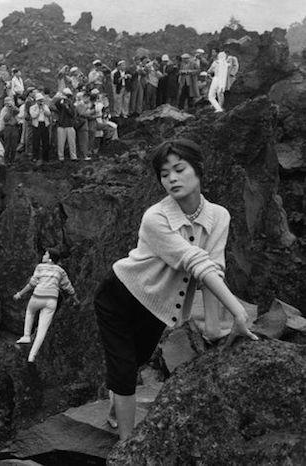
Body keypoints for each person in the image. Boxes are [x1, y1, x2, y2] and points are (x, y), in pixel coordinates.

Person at [94, 139, 259, 440]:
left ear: (199, 171)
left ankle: (116, 403)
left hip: (158, 307)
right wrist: (237, 311)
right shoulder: (155, 217)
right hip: (119, 296)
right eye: (164, 173)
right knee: (124, 367)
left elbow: (214, 268)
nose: (171, 178)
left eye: (179, 169)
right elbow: (195, 262)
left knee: (137, 358)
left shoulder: (219, 216)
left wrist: (213, 326)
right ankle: (126, 448)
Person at [14, 247, 79, 362]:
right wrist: (75, 300)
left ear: (50, 258)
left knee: (30, 311)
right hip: (51, 300)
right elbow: (68, 287)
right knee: (42, 330)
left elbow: (32, 284)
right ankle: (32, 356)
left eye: (46, 254)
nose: (43, 256)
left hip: (37, 296)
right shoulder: (60, 271)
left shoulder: (40, 267)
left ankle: (26, 336)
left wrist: (20, 294)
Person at [55, 88, 78, 160]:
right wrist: (61, 98)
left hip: (70, 125)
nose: (67, 98)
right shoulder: (60, 103)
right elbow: (56, 104)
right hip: (61, 125)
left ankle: (73, 157)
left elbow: (73, 114)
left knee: (72, 143)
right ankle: (61, 157)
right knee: (60, 144)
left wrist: (67, 107)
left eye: (68, 96)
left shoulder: (71, 104)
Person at [29, 93, 51, 164]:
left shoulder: (45, 106)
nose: (41, 102)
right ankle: (35, 157)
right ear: (36, 101)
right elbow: (33, 115)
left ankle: (45, 157)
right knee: (36, 142)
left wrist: (43, 109)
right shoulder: (32, 107)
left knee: (46, 141)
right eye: (39, 101)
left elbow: (49, 114)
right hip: (36, 125)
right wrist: (38, 109)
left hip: (44, 124)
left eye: (42, 100)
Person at [0, 96, 20, 165]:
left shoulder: (15, 108)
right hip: (7, 127)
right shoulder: (4, 110)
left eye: (10, 101)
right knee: (7, 145)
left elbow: (18, 112)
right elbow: (5, 119)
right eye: (7, 102)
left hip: (15, 127)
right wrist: (9, 111)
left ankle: (12, 160)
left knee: (14, 145)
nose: (8, 103)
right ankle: (6, 160)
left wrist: (13, 108)